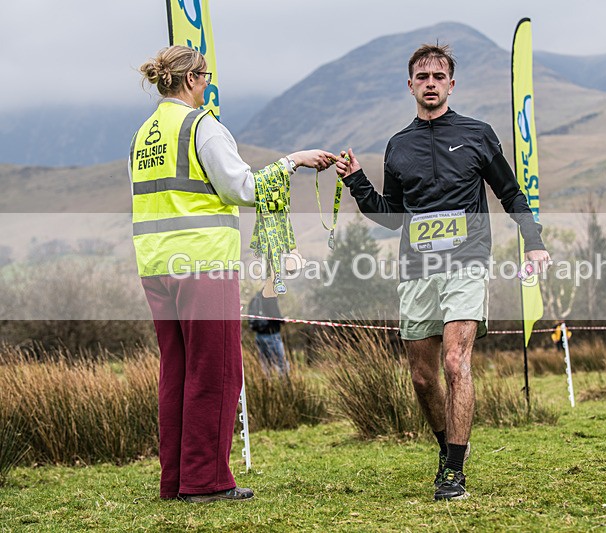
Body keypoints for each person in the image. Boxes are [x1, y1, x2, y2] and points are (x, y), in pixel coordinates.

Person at [335, 44, 550, 501]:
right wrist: (356, 181)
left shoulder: (477, 134)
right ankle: (449, 448)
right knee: (422, 377)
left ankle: (453, 472)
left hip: (467, 263)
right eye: (422, 76)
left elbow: (512, 194)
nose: (430, 83)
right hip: (417, 269)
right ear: (409, 84)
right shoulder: (398, 146)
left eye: (438, 76)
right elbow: (392, 215)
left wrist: (533, 241)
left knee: (456, 362)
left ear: (451, 84)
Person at [131, 45, 336, 503]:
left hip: (155, 265)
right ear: (189, 80)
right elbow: (243, 187)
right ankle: (205, 482)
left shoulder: (143, 135)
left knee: (177, 372)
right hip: (202, 264)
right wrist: (294, 160)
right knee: (218, 371)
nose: (208, 84)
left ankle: (177, 481)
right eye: (204, 77)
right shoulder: (202, 127)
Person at [248, 289, 289, 375]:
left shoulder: (256, 297)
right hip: (272, 335)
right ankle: (285, 386)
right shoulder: (270, 296)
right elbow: (275, 314)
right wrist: (283, 320)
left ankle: (267, 385)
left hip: (259, 336)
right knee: (282, 365)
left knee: (266, 366)